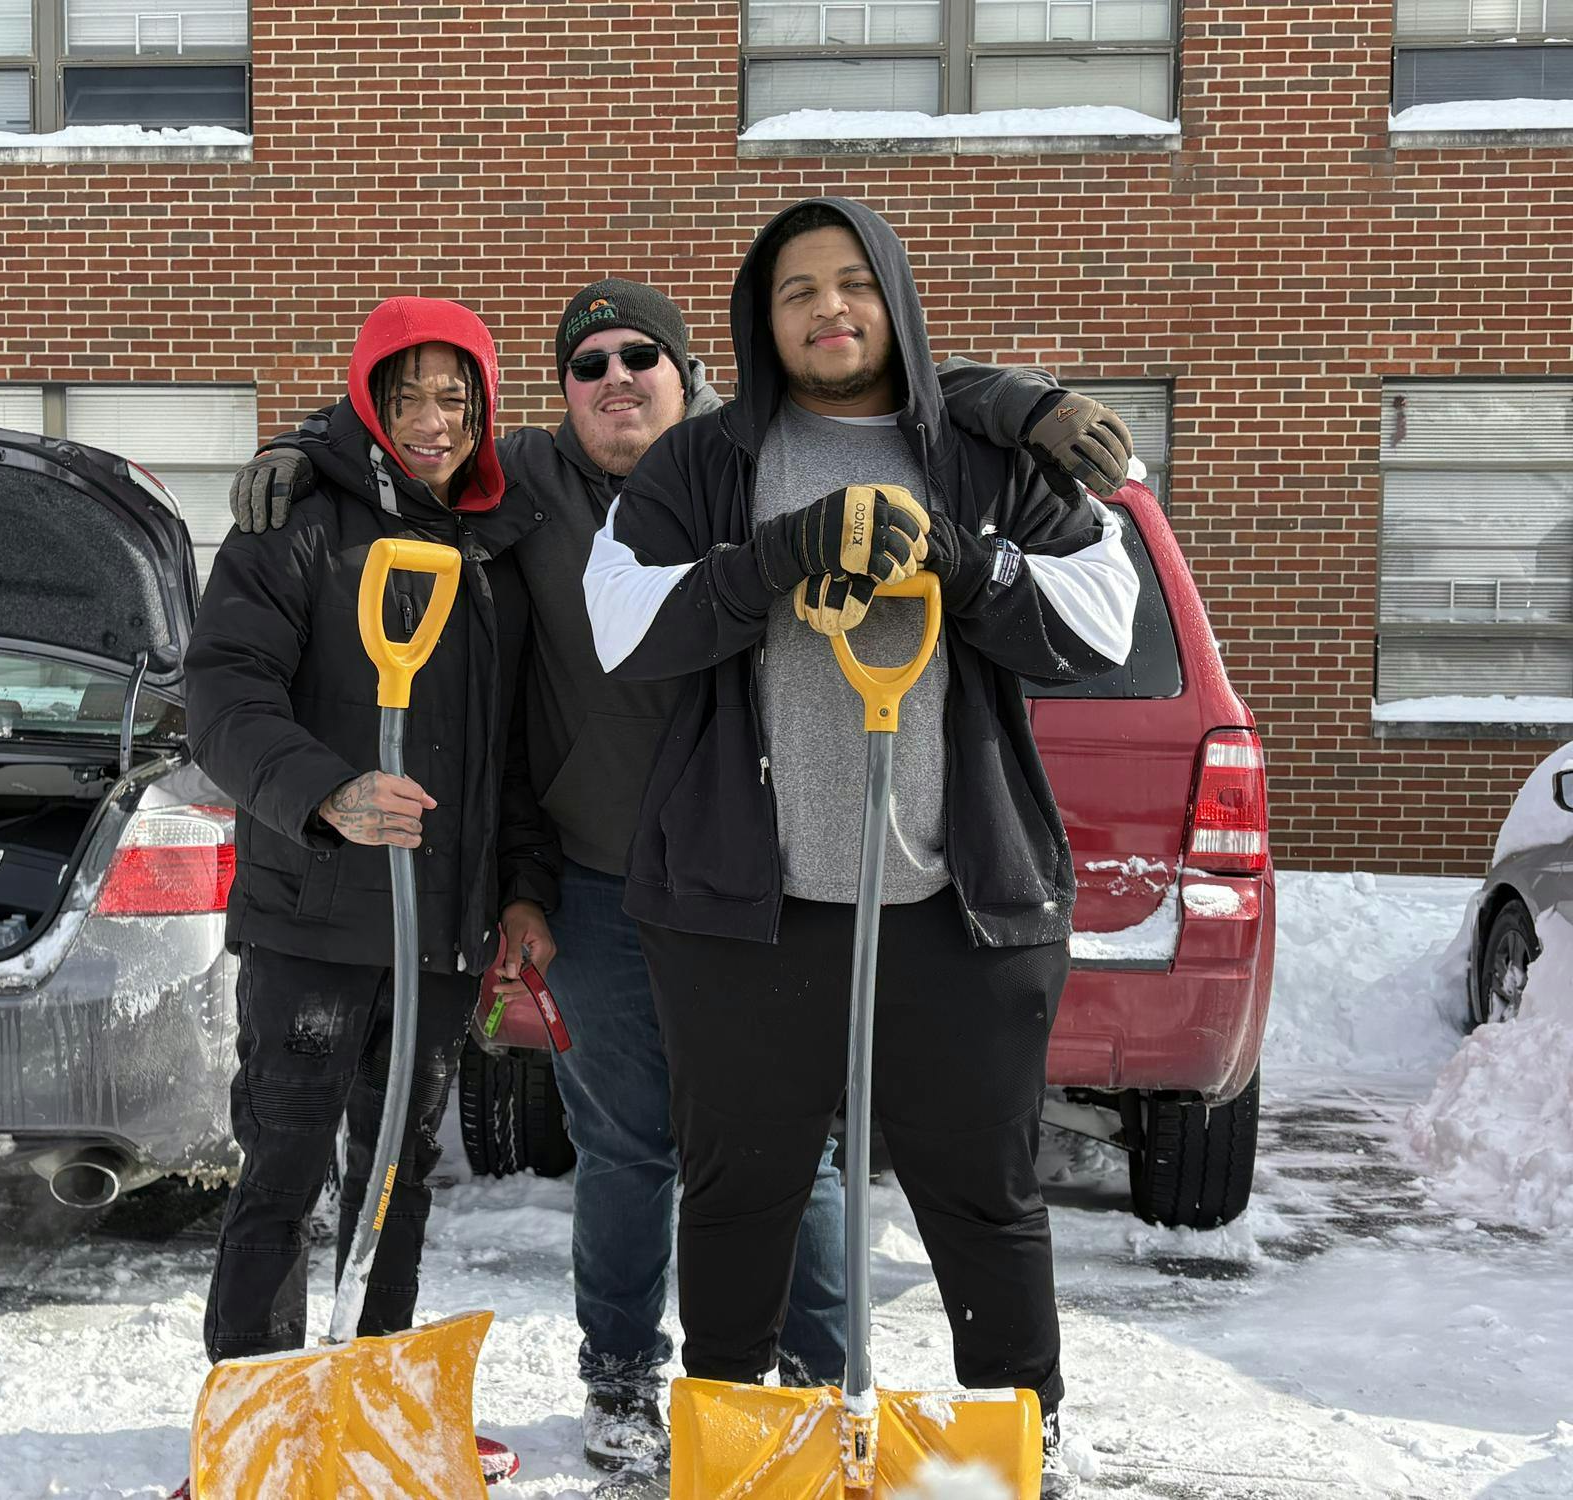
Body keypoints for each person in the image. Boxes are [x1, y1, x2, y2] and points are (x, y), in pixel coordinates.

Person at [229, 278, 1133, 1485]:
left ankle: (815, 1387)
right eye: (586, 363)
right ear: (557, 397)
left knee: (789, 1156)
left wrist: (1015, 398)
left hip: (757, 886)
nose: (615, 379)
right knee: (626, 1149)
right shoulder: (532, 489)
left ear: (691, 372)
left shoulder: (747, 460)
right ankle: (618, 1382)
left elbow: (872, 387)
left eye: (639, 357)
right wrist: (301, 453)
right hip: (603, 880)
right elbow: (411, 447)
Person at [581, 198, 1141, 1497]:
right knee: (739, 1189)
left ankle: (1017, 1433)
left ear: (892, 298)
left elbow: (1101, 620)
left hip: (956, 896)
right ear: (761, 324)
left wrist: (962, 557)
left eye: (852, 284)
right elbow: (626, 627)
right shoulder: (706, 464)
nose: (828, 309)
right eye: (795, 293)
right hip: (746, 906)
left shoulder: (984, 456)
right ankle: (727, 1432)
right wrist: (773, 556)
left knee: (982, 1189)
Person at [185, 299, 558, 1393]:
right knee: (285, 1167)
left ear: (485, 408)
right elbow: (222, 698)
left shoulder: (496, 548)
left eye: (454, 397)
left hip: (439, 929)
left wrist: (523, 890)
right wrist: (326, 793)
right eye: (403, 396)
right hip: (314, 908)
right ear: (362, 398)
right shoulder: (296, 522)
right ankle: (252, 1398)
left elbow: (517, 753)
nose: (431, 421)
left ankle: (370, 1398)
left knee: (398, 1173)